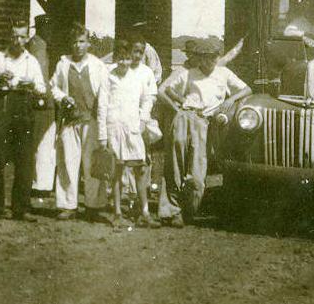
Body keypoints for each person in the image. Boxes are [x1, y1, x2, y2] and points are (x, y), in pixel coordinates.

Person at [157, 36, 251, 226]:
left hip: (206, 123)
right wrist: (181, 103)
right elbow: (167, 90)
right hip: (185, 117)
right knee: (176, 164)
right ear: (198, 58)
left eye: (212, 57)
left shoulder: (224, 73)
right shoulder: (188, 73)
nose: (208, 62)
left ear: (217, 57)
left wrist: (230, 99)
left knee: (198, 171)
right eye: (204, 57)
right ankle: (172, 211)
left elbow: (247, 89)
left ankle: (189, 211)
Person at [0, 21, 47, 221]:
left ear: (27, 38)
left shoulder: (32, 61)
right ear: (9, 37)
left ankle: (22, 207)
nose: (17, 41)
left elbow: (43, 89)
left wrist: (32, 84)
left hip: (24, 111)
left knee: (25, 159)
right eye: (14, 36)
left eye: (21, 37)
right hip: (3, 108)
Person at [49, 24, 109, 220]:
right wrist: (62, 97)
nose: (78, 46)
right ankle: (68, 205)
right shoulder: (63, 64)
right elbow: (54, 87)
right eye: (75, 42)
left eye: (82, 41)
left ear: (88, 43)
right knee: (68, 162)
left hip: (90, 121)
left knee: (91, 164)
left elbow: (104, 96)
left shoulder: (97, 66)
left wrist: (102, 128)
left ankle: (94, 205)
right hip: (70, 121)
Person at [98, 38, 157, 227]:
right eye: (120, 59)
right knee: (117, 171)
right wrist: (102, 135)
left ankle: (145, 211)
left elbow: (147, 98)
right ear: (115, 59)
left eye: (127, 59)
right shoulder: (108, 77)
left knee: (140, 168)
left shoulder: (138, 77)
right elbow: (101, 107)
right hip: (114, 128)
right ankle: (117, 213)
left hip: (132, 128)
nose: (124, 62)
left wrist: (142, 120)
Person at [27, 11, 57, 196]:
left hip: (42, 101)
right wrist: (46, 97)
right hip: (42, 103)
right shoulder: (38, 46)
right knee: (44, 143)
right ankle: (41, 185)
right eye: (49, 28)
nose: (51, 31)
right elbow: (42, 77)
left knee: (43, 143)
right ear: (44, 28)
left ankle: (41, 183)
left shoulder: (37, 44)